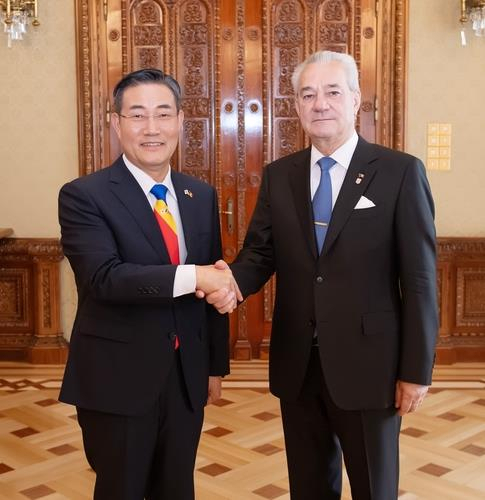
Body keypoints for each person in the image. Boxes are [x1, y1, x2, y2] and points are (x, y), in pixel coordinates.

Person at [204, 51, 438, 499]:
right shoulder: (279, 176)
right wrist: (229, 282)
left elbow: (422, 280)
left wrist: (416, 370)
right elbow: (259, 254)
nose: (320, 104)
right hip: (299, 365)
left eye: (332, 92)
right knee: (308, 489)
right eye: (307, 94)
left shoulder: (399, 172)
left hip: (372, 368)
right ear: (296, 106)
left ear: (355, 101)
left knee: (374, 488)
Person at [58, 68, 240, 500]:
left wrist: (213, 367)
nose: (152, 128)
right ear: (116, 123)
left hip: (185, 379)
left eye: (163, 114)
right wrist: (196, 275)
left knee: (177, 489)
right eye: (137, 115)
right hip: (117, 379)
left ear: (180, 121)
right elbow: (104, 278)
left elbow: (209, 293)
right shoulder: (85, 195)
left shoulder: (199, 195)